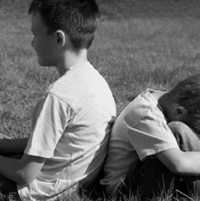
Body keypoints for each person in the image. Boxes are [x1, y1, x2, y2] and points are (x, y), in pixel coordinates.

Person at [0, 0, 116, 200]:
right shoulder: (96, 82)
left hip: (36, 191)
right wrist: (3, 144)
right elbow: (51, 142)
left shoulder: (58, 97)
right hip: (74, 183)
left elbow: (24, 174)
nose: (32, 43)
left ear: (58, 39)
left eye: (35, 34)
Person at [100, 72, 200, 200]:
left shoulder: (173, 101)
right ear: (179, 112)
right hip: (126, 189)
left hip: (150, 171)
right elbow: (179, 164)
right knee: (178, 130)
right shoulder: (146, 114)